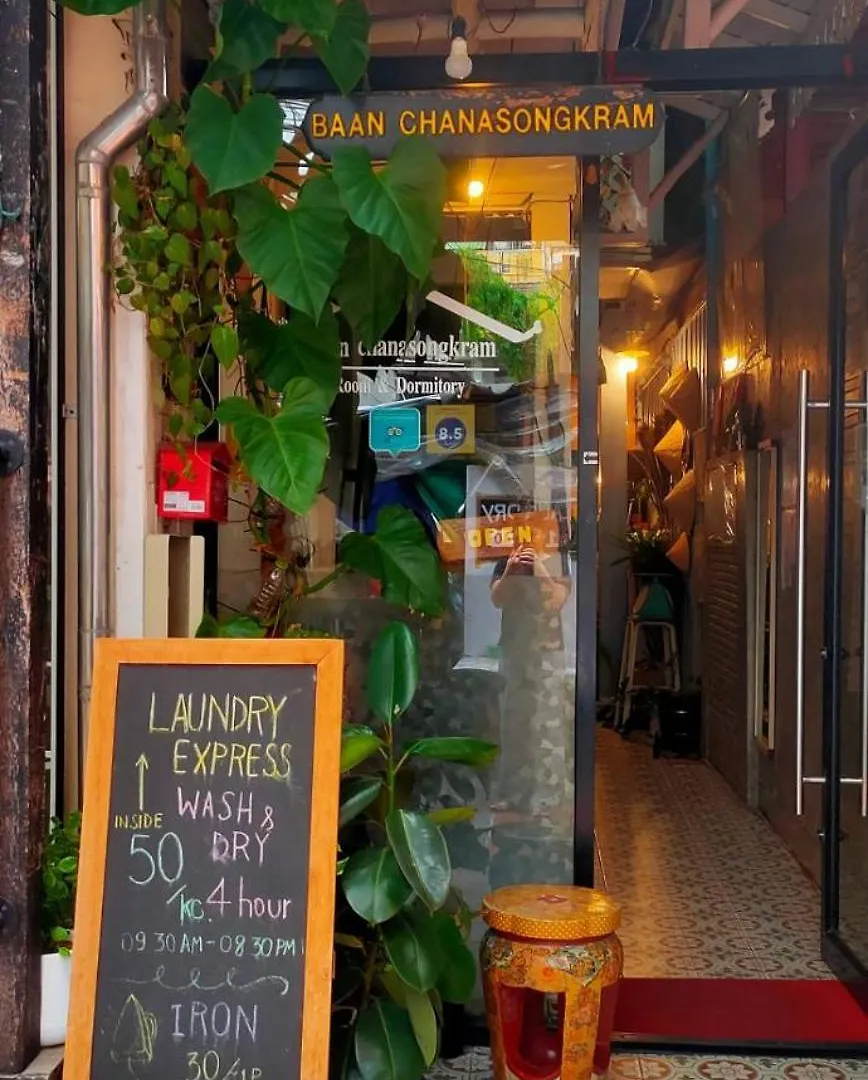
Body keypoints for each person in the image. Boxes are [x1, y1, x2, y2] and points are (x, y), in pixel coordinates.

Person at [489, 542, 571, 817]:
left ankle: (548, 797)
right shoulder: (508, 553)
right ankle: (512, 794)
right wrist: (510, 571)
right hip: (515, 649)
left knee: (547, 724)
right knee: (514, 724)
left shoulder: (557, 555)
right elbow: (497, 598)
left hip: (547, 651)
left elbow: (556, 600)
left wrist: (539, 570)